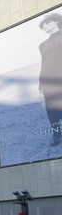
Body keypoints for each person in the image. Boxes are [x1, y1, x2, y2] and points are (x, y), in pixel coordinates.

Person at [38, 12, 62, 147]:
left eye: (47, 23)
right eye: (43, 25)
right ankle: (56, 134)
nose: (45, 26)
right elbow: (43, 63)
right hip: (48, 80)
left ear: (56, 21)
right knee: (51, 109)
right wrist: (41, 82)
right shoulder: (42, 45)